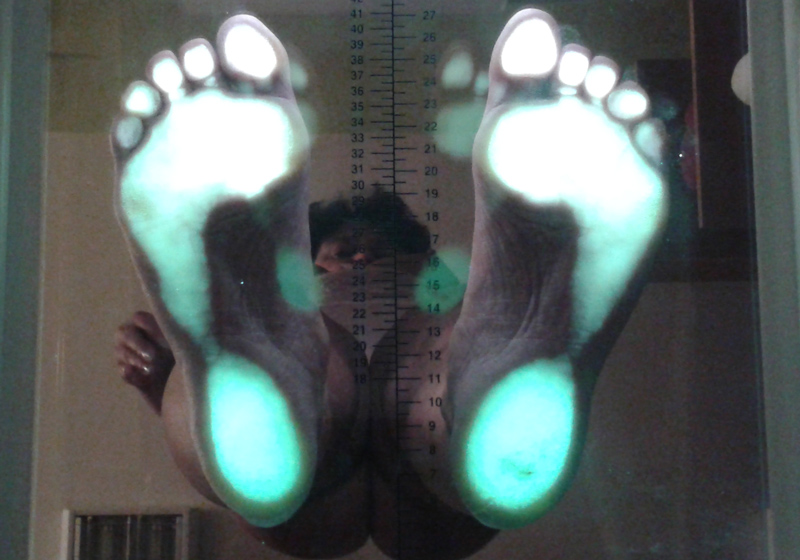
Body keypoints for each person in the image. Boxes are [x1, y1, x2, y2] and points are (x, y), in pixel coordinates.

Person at [112, 8, 667, 559]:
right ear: (309, 264)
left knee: (424, 350)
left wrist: (171, 386)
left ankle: (502, 359)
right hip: (406, 486)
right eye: (343, 252)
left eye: (381, 251)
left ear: (422, 262)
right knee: (333, 364)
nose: (361, 257)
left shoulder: (431, 307)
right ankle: (263, 372)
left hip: (412, 460)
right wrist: (175, 382)